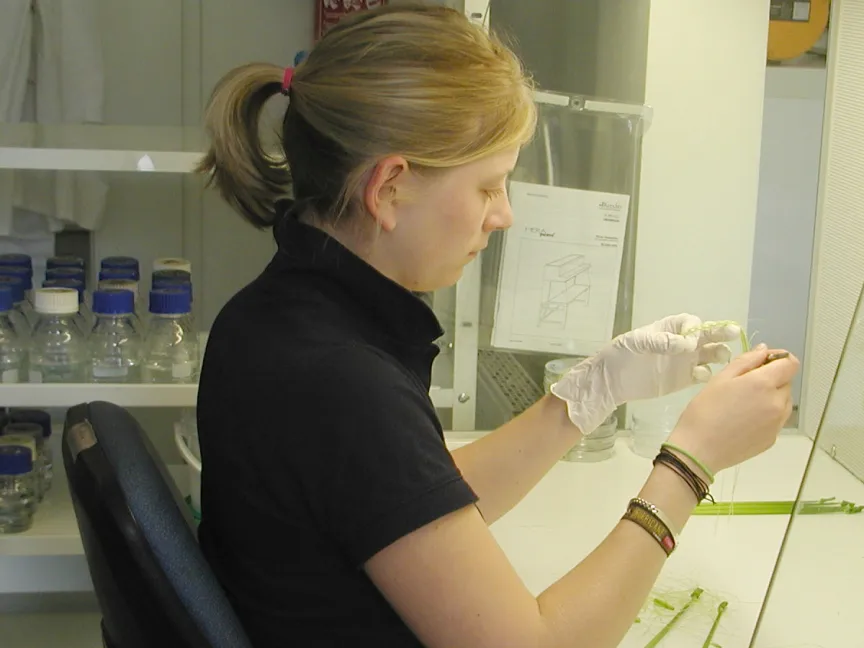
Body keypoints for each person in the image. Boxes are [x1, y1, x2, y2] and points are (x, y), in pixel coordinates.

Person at [194, 5, 798, 647]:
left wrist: (595, 389)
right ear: (390, 188)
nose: (504, 215)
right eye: (489, 187)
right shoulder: (339, 381)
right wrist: (689, 464)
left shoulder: (277, 315)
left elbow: (409, 503)